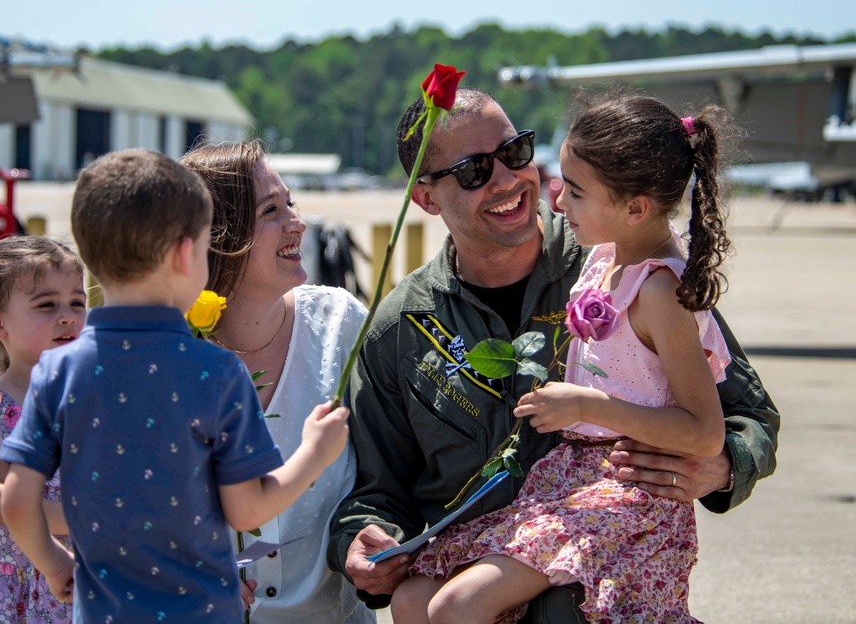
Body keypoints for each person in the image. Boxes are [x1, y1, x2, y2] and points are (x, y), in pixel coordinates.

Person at [327, 87, 780, 623]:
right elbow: (376, 488)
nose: (508, 180)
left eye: (515, 152)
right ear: (425, 198)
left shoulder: (621, 259)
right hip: (473, 574)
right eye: (474, 171)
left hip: (587, 576)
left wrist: (722, 466)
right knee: (413, 604)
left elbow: (747, 415)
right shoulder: (401, 329)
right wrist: (363, 542)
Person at [0, 149, 351, 623]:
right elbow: (247, 510)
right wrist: (315, 453)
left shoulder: (56, 371)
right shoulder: (216, 372)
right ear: (188, 254)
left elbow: (17, 501)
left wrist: (54, 563)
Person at [181, 140, 375, 623]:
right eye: (272, 210)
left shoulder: (340, 323)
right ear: (215, 236)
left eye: (292, 203)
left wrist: (370, 533)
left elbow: (387, 472)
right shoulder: (167, 359)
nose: (298, 223)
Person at [0, 235, 86, 623]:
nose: (67, 315)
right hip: (9, 589)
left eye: (77, 301)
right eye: (46, 305)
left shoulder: (91, 394)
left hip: (82, 574)